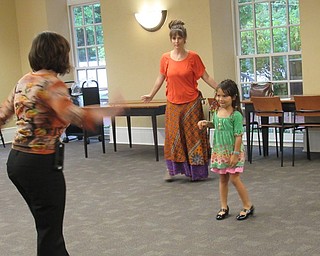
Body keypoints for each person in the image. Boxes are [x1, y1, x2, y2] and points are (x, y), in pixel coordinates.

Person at [0, 31, 118, 255]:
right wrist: (109, 110)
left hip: (16, 163)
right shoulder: (52, 84)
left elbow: (3, 113)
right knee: (50, 231)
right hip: (40, 164)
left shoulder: (24, 81)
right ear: (58, 55)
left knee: (46, 225)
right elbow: (77, 117)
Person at [141, 19, 218, 181]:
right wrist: (151, 95)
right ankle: (172, 170)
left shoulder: (193, 57)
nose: (176, 41)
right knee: (173, 138)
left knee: (192, 137)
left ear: (184, 39)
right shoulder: (165, 58)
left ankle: (195, 171)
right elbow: (160, 78)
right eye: (173, 38)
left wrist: (220, 90)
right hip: (173, 104)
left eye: (179, 38)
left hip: (191, 103)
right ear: (171, 39)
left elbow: (206, 76)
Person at [198, 79, 254, 220]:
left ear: (233, 97)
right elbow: (217, 126)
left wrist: (235, 154)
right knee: (223, 179)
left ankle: (248, 206)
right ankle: (224, 206)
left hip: (233, 151)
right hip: (220, 151)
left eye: (225, 96)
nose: (221, 99)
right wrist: (207, 123)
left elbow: (238, 136)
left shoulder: (236, 115)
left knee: (234, 179)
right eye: (218, 95)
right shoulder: (216, 111)